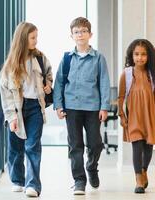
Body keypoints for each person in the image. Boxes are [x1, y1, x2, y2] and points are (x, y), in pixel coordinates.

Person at [53, 17, 111, 195]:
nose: (80, 35)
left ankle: (92, 168)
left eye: (83, 31)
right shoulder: (67, 58)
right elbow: (59, 83)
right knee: (75, 145)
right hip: (71, 107)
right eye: (76, 32)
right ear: (72, 36)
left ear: (90, 34)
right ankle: (79, 181)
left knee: (95, 144)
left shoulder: (98, 58)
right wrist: (58, 105)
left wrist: (104, 107)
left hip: (93, 108)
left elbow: (104, 83)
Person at [0, 22, 53, 197]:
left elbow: (49, 74)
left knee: (32, 145)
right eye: (32, 38)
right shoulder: (11, 65)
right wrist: (11, 117)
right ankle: (17, 180)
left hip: (36, 107)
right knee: (16, 146)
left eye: (36, 37)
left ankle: (33, 185)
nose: (36, 41)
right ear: (23, 39)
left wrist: (48, 84)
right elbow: (5, 93)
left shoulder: (40, 58)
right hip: (17, 109)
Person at [118, 39, 155, 194]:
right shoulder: (126, 74)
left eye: (143, 54)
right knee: (137, 147)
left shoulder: (152, 74)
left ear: (149, 56)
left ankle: (144, 170)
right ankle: (138, 178)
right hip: (133, 117)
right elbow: (120, 97)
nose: (140, 57)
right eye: (137, 54)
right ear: (131, 56)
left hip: (149, 115)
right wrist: (121, 115)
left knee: (148, 147)